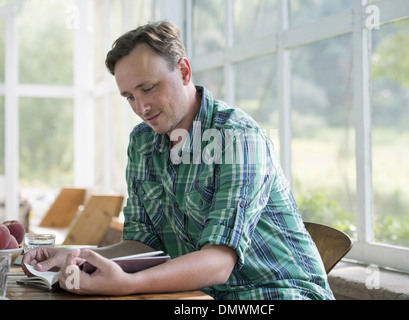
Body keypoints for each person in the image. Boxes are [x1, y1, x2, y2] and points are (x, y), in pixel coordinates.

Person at [23, 21, 334, 300]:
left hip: (277, 294)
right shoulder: (142, 143)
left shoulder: (239, 138)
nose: (141, 107)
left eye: (148, 88)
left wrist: (128, 284)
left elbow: (218, 263)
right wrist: (78, 257)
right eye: (129, 96)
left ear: (184, 71)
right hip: (199, 297)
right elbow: (143, 245)